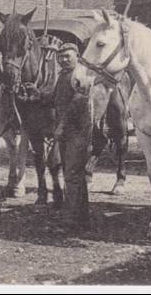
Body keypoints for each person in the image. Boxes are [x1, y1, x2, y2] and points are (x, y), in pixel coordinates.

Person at [53, 43, 91, 229]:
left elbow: (77, 102)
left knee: (72, 175)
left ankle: (70, 219)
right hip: (66, 134)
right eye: (61, 57)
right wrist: (37, 95)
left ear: (77, 55)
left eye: (68, 56)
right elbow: (54, 99)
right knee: (74, 173)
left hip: (77, 132)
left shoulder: (80, 74)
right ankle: (82, 215)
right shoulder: (62, 76)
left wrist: (61, 125)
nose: (64, 59)